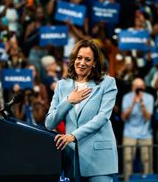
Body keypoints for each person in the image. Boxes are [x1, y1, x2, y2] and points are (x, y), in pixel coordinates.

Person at [45, 40, 118, 182]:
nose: (82, 63)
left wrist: (73, 135)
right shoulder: (61, 86)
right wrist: (68, 101)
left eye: (87, 59)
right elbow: (49, 123)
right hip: (72, 159)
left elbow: (102, 117)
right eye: (79, 58)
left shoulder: (107, 83)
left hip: (99, 159)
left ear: (94, 63)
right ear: (73, 59)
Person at [121, 77, 154, 182]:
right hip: (129, 133)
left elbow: (148, 117)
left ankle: (148, 180)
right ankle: (127, 180)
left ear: (144, 87)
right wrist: (133, 104)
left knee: (147, 161)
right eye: (137, 87)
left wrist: (142, 104)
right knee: (127, 160)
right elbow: (123, 117)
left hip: (146, 133)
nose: (139, 89)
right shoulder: (127, 97)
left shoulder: (149, 97)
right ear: (132, 87)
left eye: (141, 87)